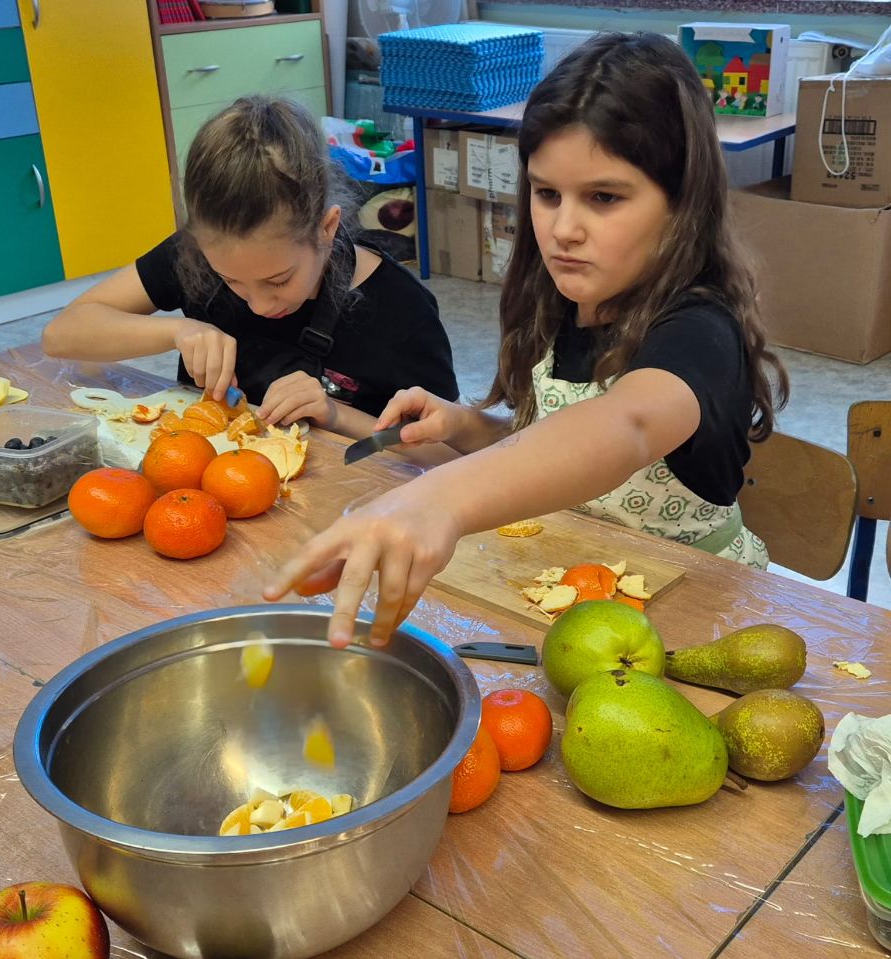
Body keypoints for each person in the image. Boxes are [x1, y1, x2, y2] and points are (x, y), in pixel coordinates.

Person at [265, 32, 790, 647]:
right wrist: (467, 427)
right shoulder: (564, 303)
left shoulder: (702, 329)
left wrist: (441, 499)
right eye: (547, 193)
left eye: (603, 197)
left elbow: (626, 427)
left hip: (697, 616)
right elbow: (554, 446)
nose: (563, 229)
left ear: (683, 203)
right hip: (574, 592)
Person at [42, 95, 459, 438]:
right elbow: (61, 335)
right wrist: (177, 331)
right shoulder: (198, 254)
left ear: (326, 229)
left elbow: (452, 457)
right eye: (229, 280)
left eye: (278, 280)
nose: (258, 304)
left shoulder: (401, 310)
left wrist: (337, 415)